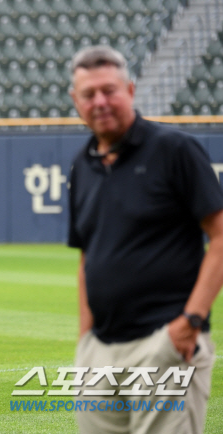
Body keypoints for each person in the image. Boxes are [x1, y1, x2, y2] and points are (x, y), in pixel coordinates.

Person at [67, 45, 223, 434]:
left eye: (109, 90)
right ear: (75, 101)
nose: (100, 102)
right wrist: (85, 342)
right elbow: (88, 257)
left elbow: (220, 238)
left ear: (131, 91)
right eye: (89, 94)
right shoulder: (82, 165)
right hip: (101, 351)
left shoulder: (175, 150)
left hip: (165, 343)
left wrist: (189, 324)